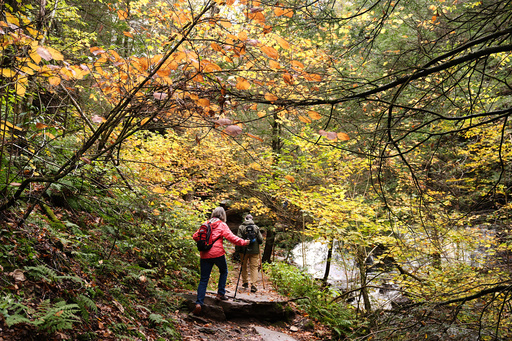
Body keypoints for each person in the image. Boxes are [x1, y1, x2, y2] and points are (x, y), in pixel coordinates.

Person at [192, 207, 250, 315]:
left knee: (203, 279)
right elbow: (232, 238)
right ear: (223, 215)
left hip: (204, 254)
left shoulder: (206, 223)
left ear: (213, 214)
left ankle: (199, 303)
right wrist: (244, 242)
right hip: (217, 254)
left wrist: (206, 243)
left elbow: (195, 236)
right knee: (223, 271)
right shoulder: (222, 225)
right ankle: (220, 294)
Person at [237, 214, 264, 293]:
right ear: (252, 219)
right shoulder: (256, 227)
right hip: (254, 251)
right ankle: (253, 285)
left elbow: (238, 239)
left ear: (245, 219)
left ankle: (245, 282)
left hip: (243, 250)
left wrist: (237, 251)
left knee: (244, 266)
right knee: (254, 268)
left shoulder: (241, 227)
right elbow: (261, 240)